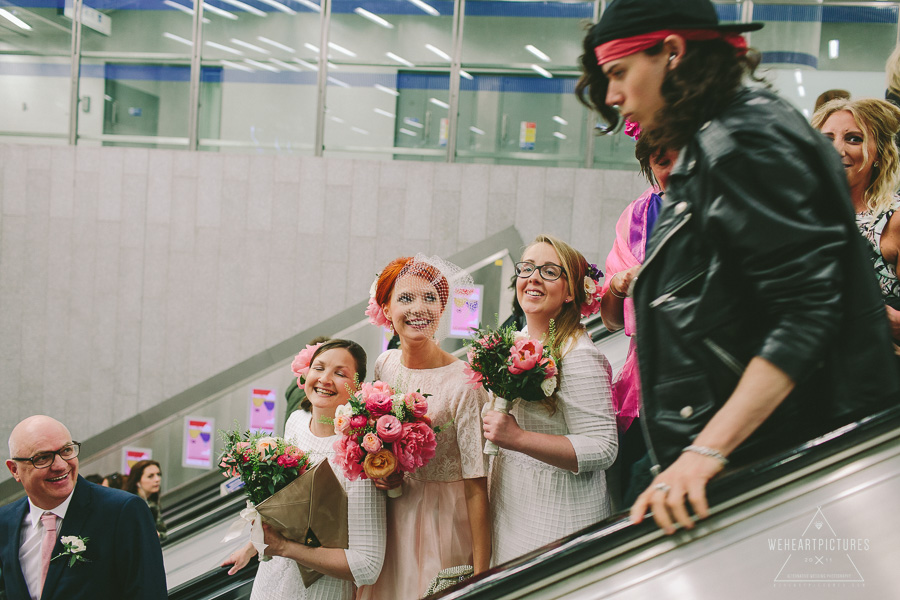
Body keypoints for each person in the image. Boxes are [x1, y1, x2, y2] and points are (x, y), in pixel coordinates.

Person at [576, 0, 900, 535]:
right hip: (756, 464)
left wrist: (707, 450)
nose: (612, 96)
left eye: (619, 72)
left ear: (673, 54)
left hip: (777, 471)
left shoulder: (742, 142)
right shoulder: (721, 138)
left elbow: (808, 309)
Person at [357, 255, 491, 600]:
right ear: (386, 309)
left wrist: (483, 574)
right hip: (390, 518)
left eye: (430, 298)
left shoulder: (464, 382)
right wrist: (382, 472)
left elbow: (478, 484)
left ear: (442, 308)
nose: (420, 309)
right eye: (406, 298)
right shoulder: (384, 365)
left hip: (444, 524)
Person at [483, 234, 618, 565]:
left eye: (549, 271)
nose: (533, 278)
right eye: (527, 268)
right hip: (510, 502)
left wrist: (518, 438)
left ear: (571, 291)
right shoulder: (513, 341)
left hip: (557, 512)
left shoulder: (579, 355)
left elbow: (604, 448)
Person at [222, 339, 386, 600]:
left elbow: (367, 566)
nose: (325, 379)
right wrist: (252, 547)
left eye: (340, 373)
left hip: (320, 591)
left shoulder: (359, 455)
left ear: (358, 389)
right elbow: (289, 509)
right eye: (318, 368)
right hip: (269, 582)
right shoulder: (296, 422)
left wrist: (286, 548)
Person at [1, 415, 167, 600]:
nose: (60, 465)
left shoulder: (122, 511)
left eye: (66, 450)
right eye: (43, 458)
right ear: (14, 470)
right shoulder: (5, 522)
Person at [600, 135, 678, 505]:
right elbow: (612, 320)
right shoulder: (638, 216)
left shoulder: (727, 207)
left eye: (685, 157)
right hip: (645, 372)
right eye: (662, 162)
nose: (675, 171)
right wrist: (616, 284)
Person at [812, 98, 900, 349]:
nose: (837, 150)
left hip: (873, 372)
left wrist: (890, 319)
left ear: (879, 154)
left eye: (854, 139)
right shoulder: (800, 215)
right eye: (826, 139)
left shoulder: (893, 219)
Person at [124, 460, 167, 541]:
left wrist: (157, 535)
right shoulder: (129, 504)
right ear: (137, 481)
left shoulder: (153, 504)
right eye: (150, 476)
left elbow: (163, 531)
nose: (157, 479)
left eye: (158, 474)